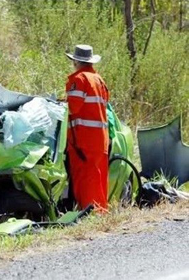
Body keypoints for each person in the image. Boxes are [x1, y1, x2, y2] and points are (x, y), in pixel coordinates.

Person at [65, 44, 110, 211]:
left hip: (83, 140)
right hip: (100, 140)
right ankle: (99, 212)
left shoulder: (79, 79)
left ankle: (88, 213)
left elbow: (72, 109)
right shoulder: (99, 80)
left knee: (85, 179)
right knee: (98, 179)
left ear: (76, 61)